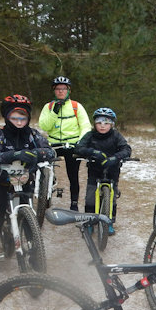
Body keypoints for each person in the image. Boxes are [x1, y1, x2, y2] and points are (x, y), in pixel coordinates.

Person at [0, 95, 56, 276]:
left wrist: (34, 153)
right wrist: (16, 154)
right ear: (7, 117)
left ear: (28, 118)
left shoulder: (33, 135)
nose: (19, 121)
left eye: (23, 118)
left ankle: (34, 254)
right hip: (1, 182)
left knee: (29, 222)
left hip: (24, 182)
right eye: (14, 117)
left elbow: (50, 151)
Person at [74, 108, 132, 235]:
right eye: (99, 122)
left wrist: (115, 157)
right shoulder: (90, 135)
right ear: (94, 124)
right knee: (90, 196)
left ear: (112, 124)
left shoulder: (116, 135)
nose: (102, 126)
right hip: (94, 169)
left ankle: (109, 221)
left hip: (112, 169)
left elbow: (126, 149)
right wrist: (93, 152)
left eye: (106, 123)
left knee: (112, 196)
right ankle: (89, 221)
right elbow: (79, 147)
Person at [38, 76, 92, 211]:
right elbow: (44, 126)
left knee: (73, 175)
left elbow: (86, 126)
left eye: (64, 89)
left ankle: (74, 204)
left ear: (69, 91)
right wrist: (54, 111)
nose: (61, 91)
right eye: (58, 89)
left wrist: (81, 142)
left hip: (72, 144)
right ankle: (45, 190)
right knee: (43, 167)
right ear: (54, 91)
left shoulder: (76, 106)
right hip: (54, 143)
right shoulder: (48, 107)